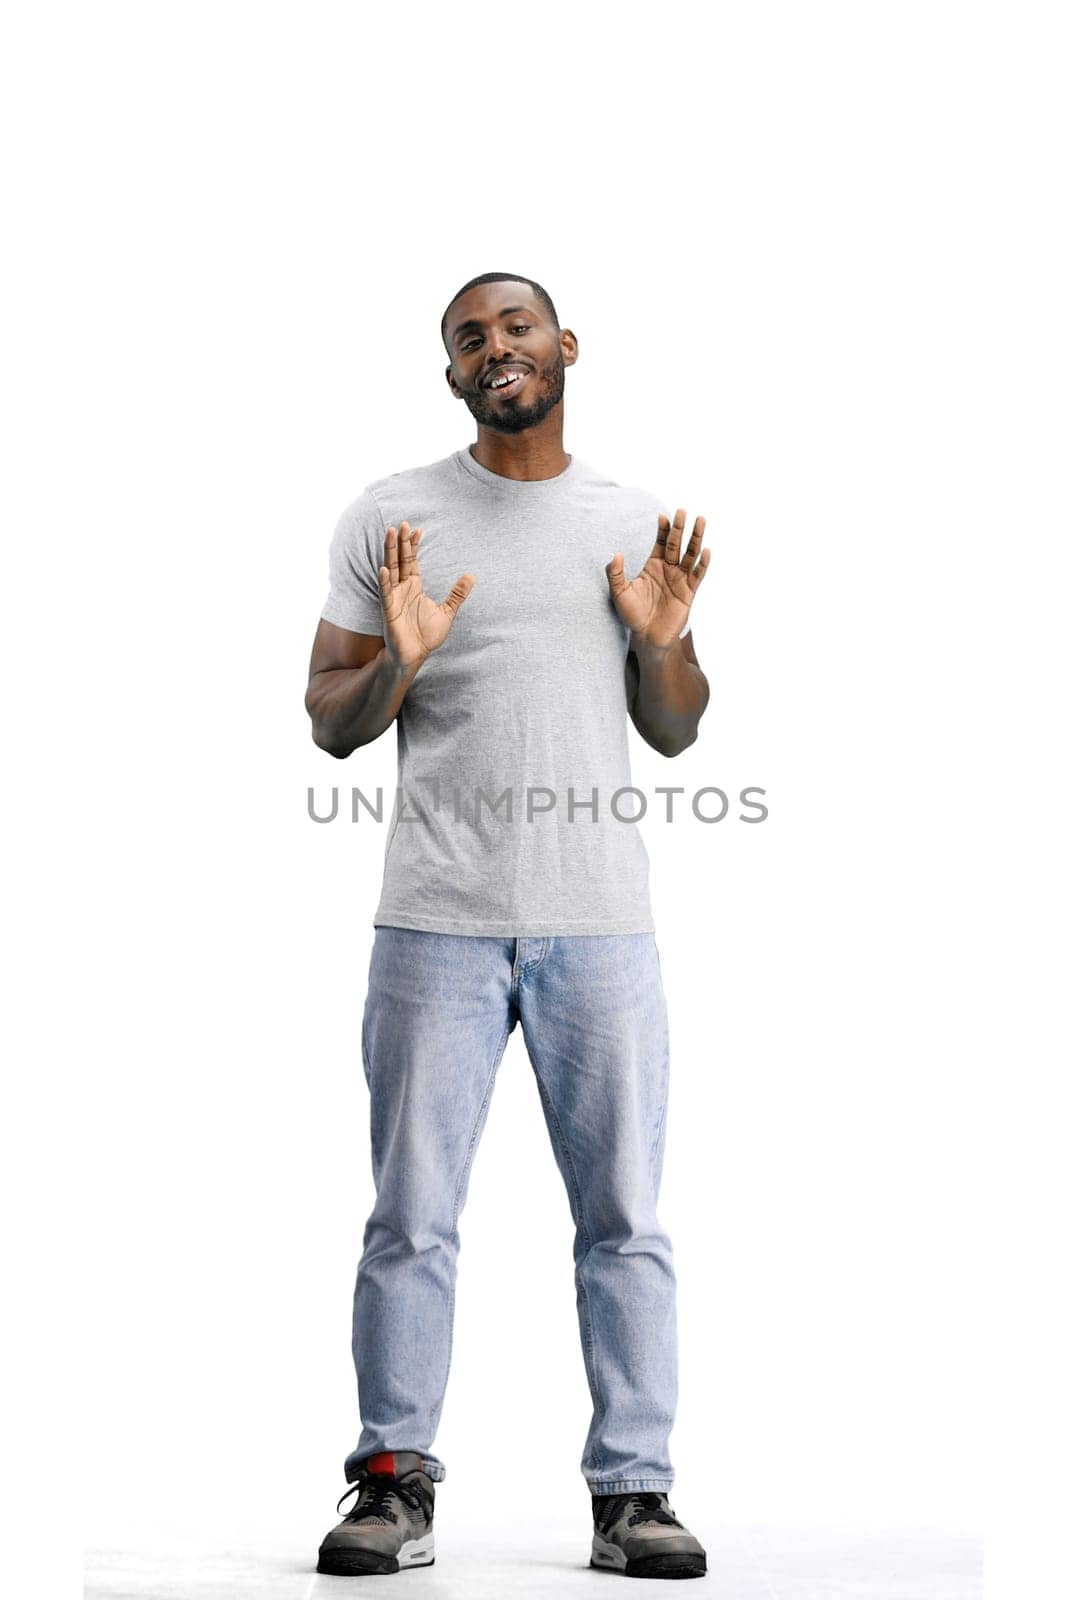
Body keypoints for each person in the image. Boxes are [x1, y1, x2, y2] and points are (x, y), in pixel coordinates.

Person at [305, 272, 711, 1580]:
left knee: (624, 1220)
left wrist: (660, 641)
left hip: (602, 926)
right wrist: (401, 659)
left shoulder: (631, 517)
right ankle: (391, 1481)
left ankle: (634, 1493)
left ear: (565, 348)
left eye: (517, 326)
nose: (498, 348)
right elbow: (331, 718)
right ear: (453, 374)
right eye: (471, 336)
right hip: (435, 926)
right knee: (410, 1216)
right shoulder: (393, 518)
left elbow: (676, 725)